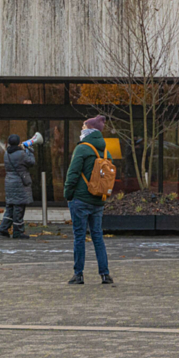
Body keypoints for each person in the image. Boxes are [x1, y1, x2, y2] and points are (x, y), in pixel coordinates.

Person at [63, 116, 114, 286]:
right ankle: (105, 275)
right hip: (98, 200)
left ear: (88, 130)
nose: (81, 129)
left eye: (83, 126)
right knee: (98, 236)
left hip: (80, 200)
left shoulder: (82, 149)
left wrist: (68, 194)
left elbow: (73, 174)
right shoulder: (106, 152)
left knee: (79, 237)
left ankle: (78, 275)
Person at [0, 134, 36, 239]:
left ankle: (3, 229)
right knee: (19, 208)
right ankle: (18, 232)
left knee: (10, 207)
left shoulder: (6, 153)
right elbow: (32, 162)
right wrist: (30, 150)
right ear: (18, 142)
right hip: (20, 183)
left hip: (9, 182)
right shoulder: (21, 154)